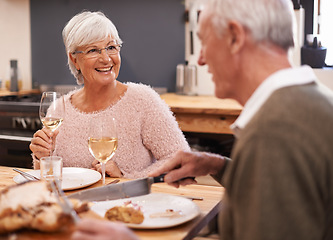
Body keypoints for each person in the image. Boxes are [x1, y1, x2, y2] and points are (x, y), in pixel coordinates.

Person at [72, 0, 333, 239]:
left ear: (234, 38)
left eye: (205, 42)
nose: (202, 58)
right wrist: (218, 166)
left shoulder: (274, 132)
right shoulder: (310, 104)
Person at [29, 11, 190, 179]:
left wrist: (126, 177)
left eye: (111, 47)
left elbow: (181, 160)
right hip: (74, 205)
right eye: (93, 50)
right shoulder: (58, 109)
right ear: (74, 59)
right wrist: (42, 157)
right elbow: (50, 178)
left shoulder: (143, 100)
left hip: (128, 204)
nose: (106, 59)